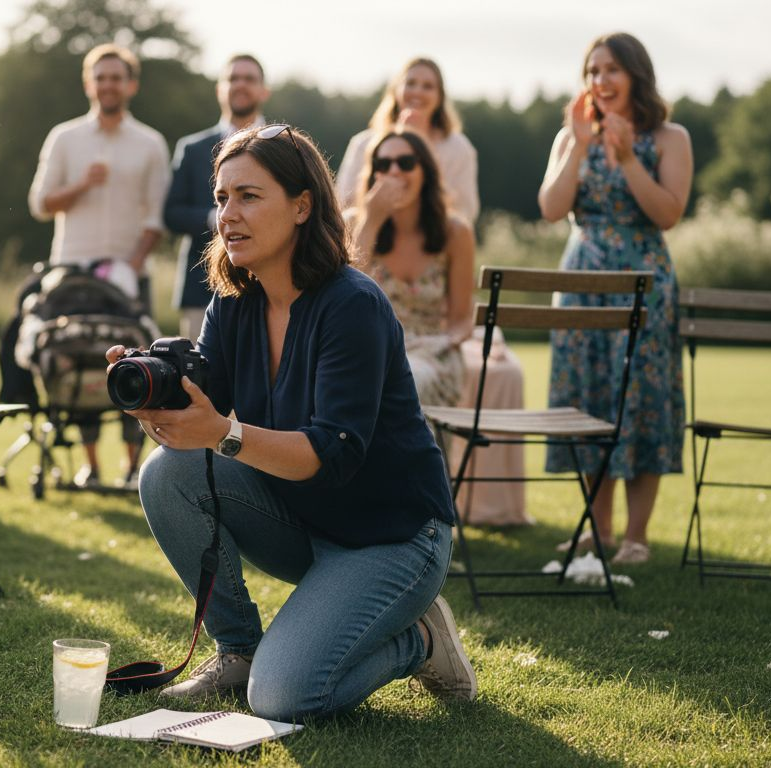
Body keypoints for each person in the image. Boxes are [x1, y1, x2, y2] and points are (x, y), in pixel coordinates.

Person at [112, 124, 476, 720]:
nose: (228, 214)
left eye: (250, 196)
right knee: (165, 472)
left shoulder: (352, 305)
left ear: (303, 205)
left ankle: (420, 640)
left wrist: (222, 434)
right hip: (305, 520)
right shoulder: (232, 302)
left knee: (285, 697)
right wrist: (153, 391)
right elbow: (208, 407)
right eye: (223, 197)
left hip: (392, 535)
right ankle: (238, 652)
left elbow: (327, 453)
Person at [537, 32, 691, 565]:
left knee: (641, 401)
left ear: (635, 76)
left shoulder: (670, 138)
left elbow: (667, 213)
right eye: (592, 71)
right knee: (588, 397)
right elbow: (553, 209)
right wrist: (580, 144)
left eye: (610, 71)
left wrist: (627, 159)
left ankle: (637, 536)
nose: (599, 81)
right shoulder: (569, 136)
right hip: (581, 278)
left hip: (645, 280)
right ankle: (597, 530)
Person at [349, 130, 529, 526]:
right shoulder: (355, 225)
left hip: (435, 351)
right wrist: (373, 217)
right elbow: (343, 292)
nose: (394, 171)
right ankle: (375, 510)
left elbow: (462, 315)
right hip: (375, 348)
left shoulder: (453, 231)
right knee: (372, 382)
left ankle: (421, 516)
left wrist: (442, 342)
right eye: (383, 164)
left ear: (425, 172)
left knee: (410, 380)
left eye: (405, 163)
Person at [28, 43, 170, 489]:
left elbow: (156, 217)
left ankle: (132, 466)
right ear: (89, 83)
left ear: (131, 84)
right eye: (101, 77)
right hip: (70, 273)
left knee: (136, 362)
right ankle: (90, 463)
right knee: (75, 363)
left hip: (127, 274)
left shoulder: (150, 142)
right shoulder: (64, 137)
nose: (108, 85)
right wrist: (80, 185)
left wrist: (132, 266)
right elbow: (40, 203)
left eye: (117, 77)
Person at [164, 54, 269, 340]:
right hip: (202, 289)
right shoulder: (192, 149)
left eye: (249, 79)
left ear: (264, 90)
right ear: (219, 89)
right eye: (233, 78)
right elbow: (171, 213)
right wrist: (215, 217)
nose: (240, 85)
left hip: (270, 288)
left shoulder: (281, 146)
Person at [336, 58, 479, 223]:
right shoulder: (363, 143)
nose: (417, 91)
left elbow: (465, 212)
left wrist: (421, 145)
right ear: (396, 91)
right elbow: (343, 204)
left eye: (428, 86)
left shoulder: (458, 148)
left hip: (432, 239)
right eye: (410, 83)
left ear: (439, 97)